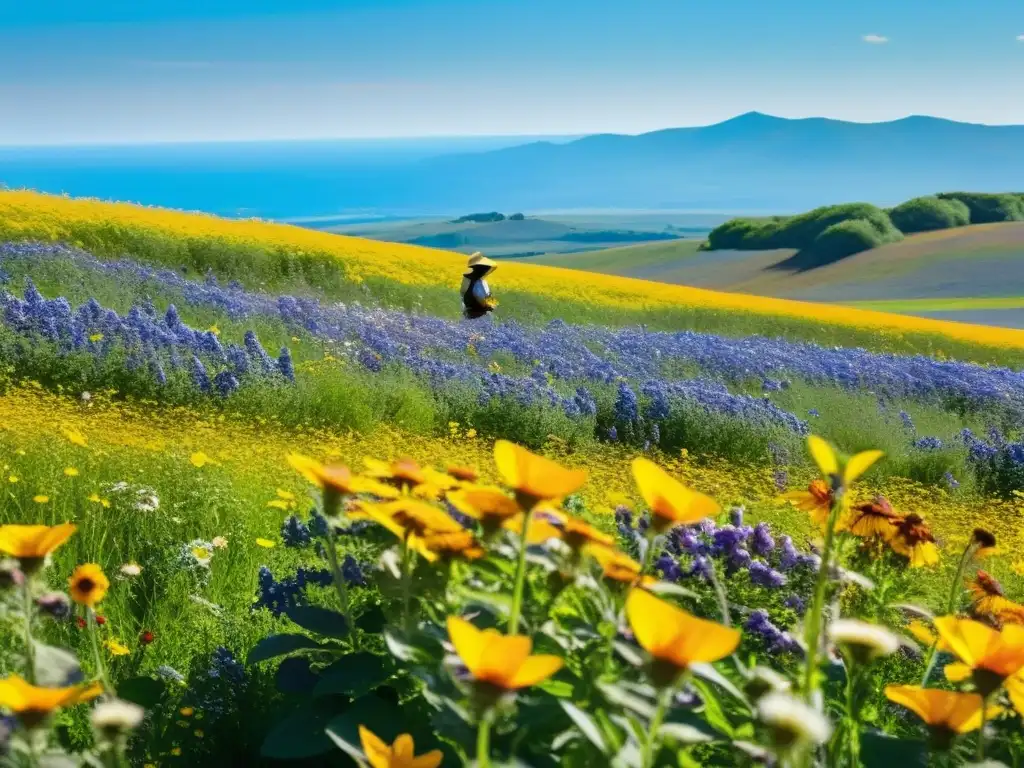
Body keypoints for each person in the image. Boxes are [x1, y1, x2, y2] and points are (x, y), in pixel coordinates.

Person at [460, 252, 498, 320]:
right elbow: (481, 301)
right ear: (482, 269)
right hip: (479, 316)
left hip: (469, 315)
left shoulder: (468, 281)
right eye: (486, 268)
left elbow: (462, 295)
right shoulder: (477, 283)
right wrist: (491, 305)